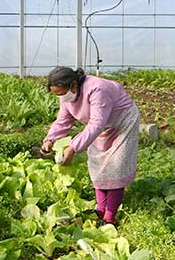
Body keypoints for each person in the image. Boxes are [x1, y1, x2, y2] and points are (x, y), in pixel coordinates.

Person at [40, 67, 141, 225]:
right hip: (101, 126)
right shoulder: (66, 96)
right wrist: (50, 139)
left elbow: (96, 123)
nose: (60, 97)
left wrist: (73, 148)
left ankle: (110, 217)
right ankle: (100, 209)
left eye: (61, 93)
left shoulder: (96, 89)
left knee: (115, 166)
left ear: (74, 85)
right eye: (57, 94)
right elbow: (63, 121)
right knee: (98, 165)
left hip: (122, 122)